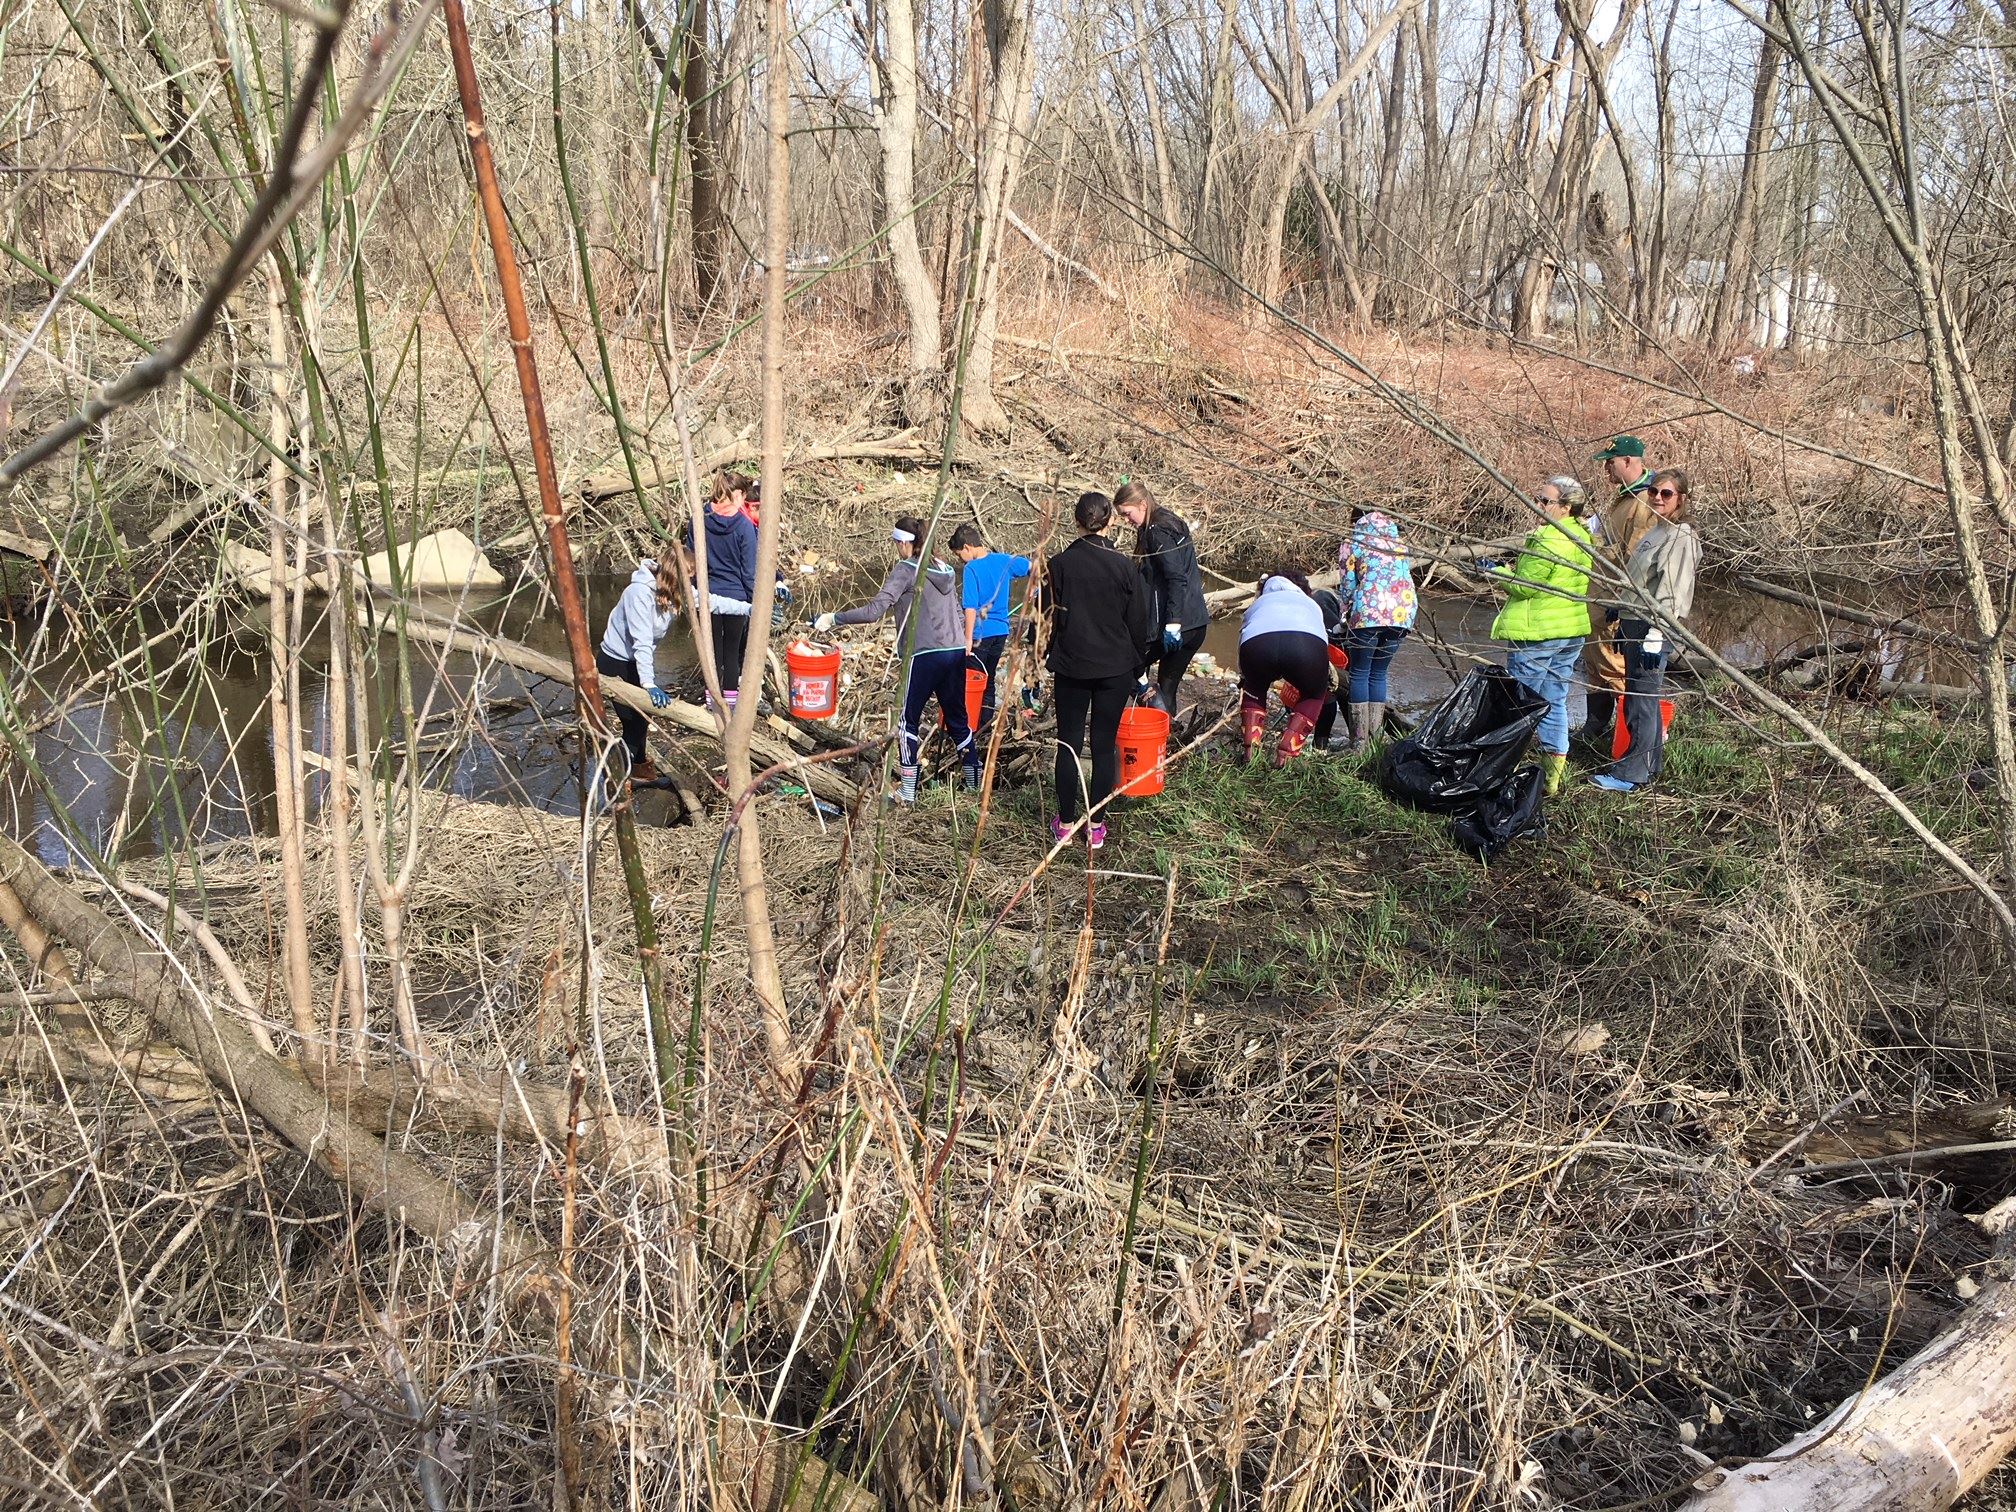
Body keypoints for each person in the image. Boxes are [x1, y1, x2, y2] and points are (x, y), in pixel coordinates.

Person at [814, 517, 976, 802]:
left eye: (896, 543)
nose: (896, 549)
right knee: (958, 718)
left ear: (904, 543)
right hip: (952, 652)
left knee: (906, 722)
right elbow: (959, 614)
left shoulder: (906, 570)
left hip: (923, 654)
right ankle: (974, 784)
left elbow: (876, 610)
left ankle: (908, 792)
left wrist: (835, 618)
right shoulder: (947, 569)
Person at [1043, 492, 1148, 848]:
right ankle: (1097, 825)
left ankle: (1066, 822)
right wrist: (1139, 667)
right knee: (1104, 747)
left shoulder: (1058, 564)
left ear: (1075, 522)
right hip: (1115, 668)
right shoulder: (1124, 566)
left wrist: (1040, 655)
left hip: (1072, 665)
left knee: (1068, 744)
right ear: (1111, 521)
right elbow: (1139, 623)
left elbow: (1044, 617)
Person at [1593, 468, 1699, 794]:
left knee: (1640, 700)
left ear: (1681, 499)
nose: (1657, 498)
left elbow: (1673, 592)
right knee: (1646, 699)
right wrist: (1620, 605)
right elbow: (1639, 581)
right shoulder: (1655, 531)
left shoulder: (1680, 537)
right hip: (1633, 622)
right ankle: (1649, 765)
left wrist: (1657, 634)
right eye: (1654, 491)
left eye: (1666, 494)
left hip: (1651, 630)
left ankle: (1630, 774)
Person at [1489, 477, 1595, 797]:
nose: (1539, 506)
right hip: (1571, 630)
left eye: (1546, 501)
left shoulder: (1549, 538)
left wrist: (1497, 572)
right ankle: (1551, 778)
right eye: (1538, 498)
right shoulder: (1584, 537)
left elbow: (1524, 587)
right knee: (1554, 701)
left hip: (1538, 633)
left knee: (1520, 704)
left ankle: (1502, 773)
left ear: (1566, 507)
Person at [1580, 436, 1660, 750]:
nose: (1606, 470)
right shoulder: (1624, 496)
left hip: (1613, 601)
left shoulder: (1642, 503)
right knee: (1595, 666)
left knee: (1615, 670)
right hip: (1598, 598)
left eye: (1610, 463)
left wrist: (1594, 544)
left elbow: (1633, 559)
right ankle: (1594, 731)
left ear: (1628, 461)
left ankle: (1630, 743)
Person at [1114, 481, 1208, 715]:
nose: (1126, 520)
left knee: (1126, 667)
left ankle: (1133, 728)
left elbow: (1176, 578)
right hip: (1196, 622)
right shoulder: (1171, 522)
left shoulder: (1157, 532)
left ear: (1143, 504)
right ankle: (1165, 736)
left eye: (1127, 513)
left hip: (1175, 624)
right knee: (1167, 688)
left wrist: (1173, 622)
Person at [1337, 505, 1418, 748]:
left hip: (1369, 612)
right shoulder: (1398, 542)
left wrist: (1344, 616)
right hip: (1402, 612)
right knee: (1379, 673)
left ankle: (1359, 743)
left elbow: (1348, 585)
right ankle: (1375, 740)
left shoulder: (1352, 542)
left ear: (1355, 521)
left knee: (1360, 672)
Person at [596, 552, 681, 784]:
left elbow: (708, 600)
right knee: (632, 722)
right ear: (675, 575)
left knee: (641, 720)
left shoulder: (672, 591)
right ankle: (620, 779)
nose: (691, 582)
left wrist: (749, 607)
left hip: (633, 664)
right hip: (615, 663)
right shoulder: (638, 594)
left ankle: (637, 773)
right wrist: (649, 684)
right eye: (688, 575)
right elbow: (641, 642)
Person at [1238, 572, 1331, 768]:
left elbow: (1244, 636)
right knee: (1314, 695)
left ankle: (1249, 752)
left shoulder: (1258, 604)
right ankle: (1285, 755)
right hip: (1305, 646)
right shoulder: (1311, 605)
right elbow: (1322, 640)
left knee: (1254, 687)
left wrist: (1245, 676)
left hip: (1258, 645)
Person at [687, 469, 758, 709]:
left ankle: (713, 704)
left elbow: (691, 561)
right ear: (737, 494)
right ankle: (730, 705)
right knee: (731, 653)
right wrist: (753, 602)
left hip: (707, 596)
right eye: (744, 496)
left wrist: (694, 592)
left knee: (713, 653)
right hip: (736, 599)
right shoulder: (744, 527)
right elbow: (749, 572)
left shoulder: (699, 519)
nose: (745, 502)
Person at [951, 522, 1030, 736]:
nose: (960, 560)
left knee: (972, 681)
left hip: (980, 635)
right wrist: (1038, 588)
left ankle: (969, 727)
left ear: (967, 548)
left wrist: (967, 640)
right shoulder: (1004, 561)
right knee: (989, 678)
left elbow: (970, 607)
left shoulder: (972, 569)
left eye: (959, 555)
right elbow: (1035, 567)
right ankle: (985, 728)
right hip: (1000, 633)